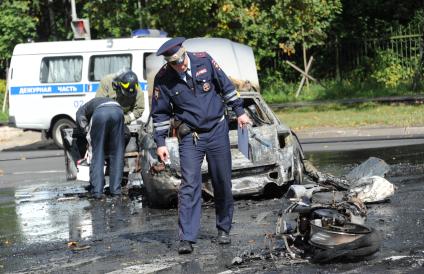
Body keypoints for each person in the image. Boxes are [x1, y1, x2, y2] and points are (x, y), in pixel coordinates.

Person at [152, 37, 251, 254]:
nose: (179, 66)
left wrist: (240, 112)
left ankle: (224, 228)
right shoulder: (163, 79)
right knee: (189, 185)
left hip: (217, 130)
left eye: (180, 60)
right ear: (168, 63)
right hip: (190, 136)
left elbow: (226, 87)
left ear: (184, 53)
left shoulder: (204, 60)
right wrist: (160, 143)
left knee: (222, 181)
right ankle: (187, 238)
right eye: (174, 63)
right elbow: (160, 113)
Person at [76, 97, 125, 199]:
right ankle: (116, 191)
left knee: (97, 154)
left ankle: (97, 192)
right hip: (118, 112)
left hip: (101, 114)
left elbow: (80, 119)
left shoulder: (82, 110)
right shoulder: (101, 101)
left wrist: (86, 131)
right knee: (117, 154)